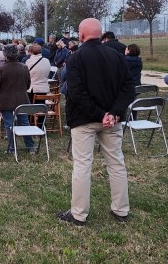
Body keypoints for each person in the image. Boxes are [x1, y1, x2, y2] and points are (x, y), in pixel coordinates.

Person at [57, 18, 134, 226]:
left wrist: (108, 113)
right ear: (100, 34)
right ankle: (121, 209)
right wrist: (112, 113)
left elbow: (75, 93)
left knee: (83, 165)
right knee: (116, 163)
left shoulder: (76, 57)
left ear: (81, 35)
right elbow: (129, 88)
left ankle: (79, 213)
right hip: (109, 119)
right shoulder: (117, 56)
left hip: (87, 119)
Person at [0, 45, 36, 154]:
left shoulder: (1, 69)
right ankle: (30, 146)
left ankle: (12, 148)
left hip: (6, 100)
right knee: (24, 123)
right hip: (22, 99)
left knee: (9, 125)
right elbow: (28, 84)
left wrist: (0, 93)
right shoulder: (24, 67)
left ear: (5, 55)